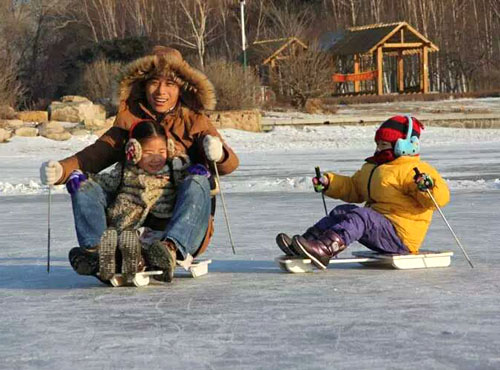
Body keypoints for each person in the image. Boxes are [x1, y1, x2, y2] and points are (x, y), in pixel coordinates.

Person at [40, 46, 239, 282]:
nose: (161, 91)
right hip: (130, 219)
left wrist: (218, 153)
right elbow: (95, 154)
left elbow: (229, 164)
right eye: (154, 82)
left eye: (170, 84)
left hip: (178, 218)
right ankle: (96, 252)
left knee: (198, 181)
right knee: (84, 185)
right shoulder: (130, 119)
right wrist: (62, 170)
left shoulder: (194, 119)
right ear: (143, 84)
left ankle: (169, 249)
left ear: (181, 88)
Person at [276, 115, 450, 270]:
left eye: (384, 144)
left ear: (404, 145)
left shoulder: (414, 170)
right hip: (379, 227)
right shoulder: (374, 168)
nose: (379, 148)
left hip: (401, 236)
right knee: (343, 211)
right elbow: (354, 188)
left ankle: (326, 249)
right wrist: (330, 182)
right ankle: (309, 242)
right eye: (378, 144)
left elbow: (439, 199)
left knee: (364, 216)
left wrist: (427, 186)